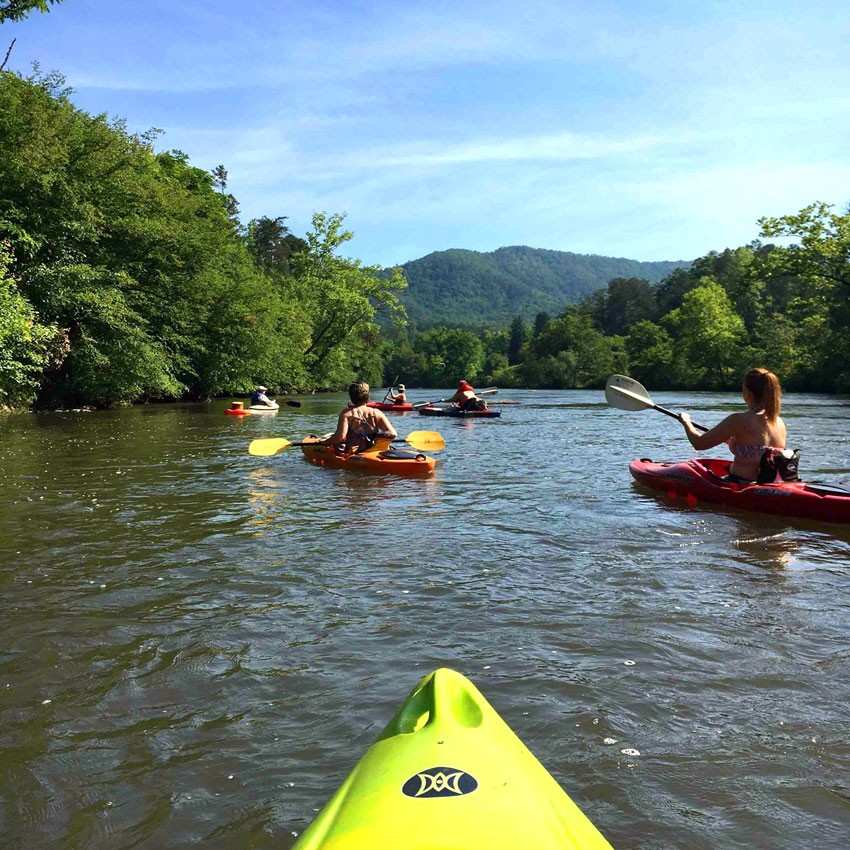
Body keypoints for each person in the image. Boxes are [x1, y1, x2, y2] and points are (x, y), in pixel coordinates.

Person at [679, 367, 787, 482]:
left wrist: (686, 422)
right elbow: (759, 451)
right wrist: (734, 442)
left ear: (748, 393)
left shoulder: (738, 420)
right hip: (771, 484)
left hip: (739, 483)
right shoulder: (779, 422)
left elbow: (699, 443)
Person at [327, 381, 397, 453]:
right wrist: (375, 439)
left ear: (351, 396)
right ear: (367, 396)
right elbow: (393, 434)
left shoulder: (347, 413)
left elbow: (340, 438)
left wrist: (324, 442)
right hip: (373, 452)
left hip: (354, 453)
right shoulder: (377, 412)